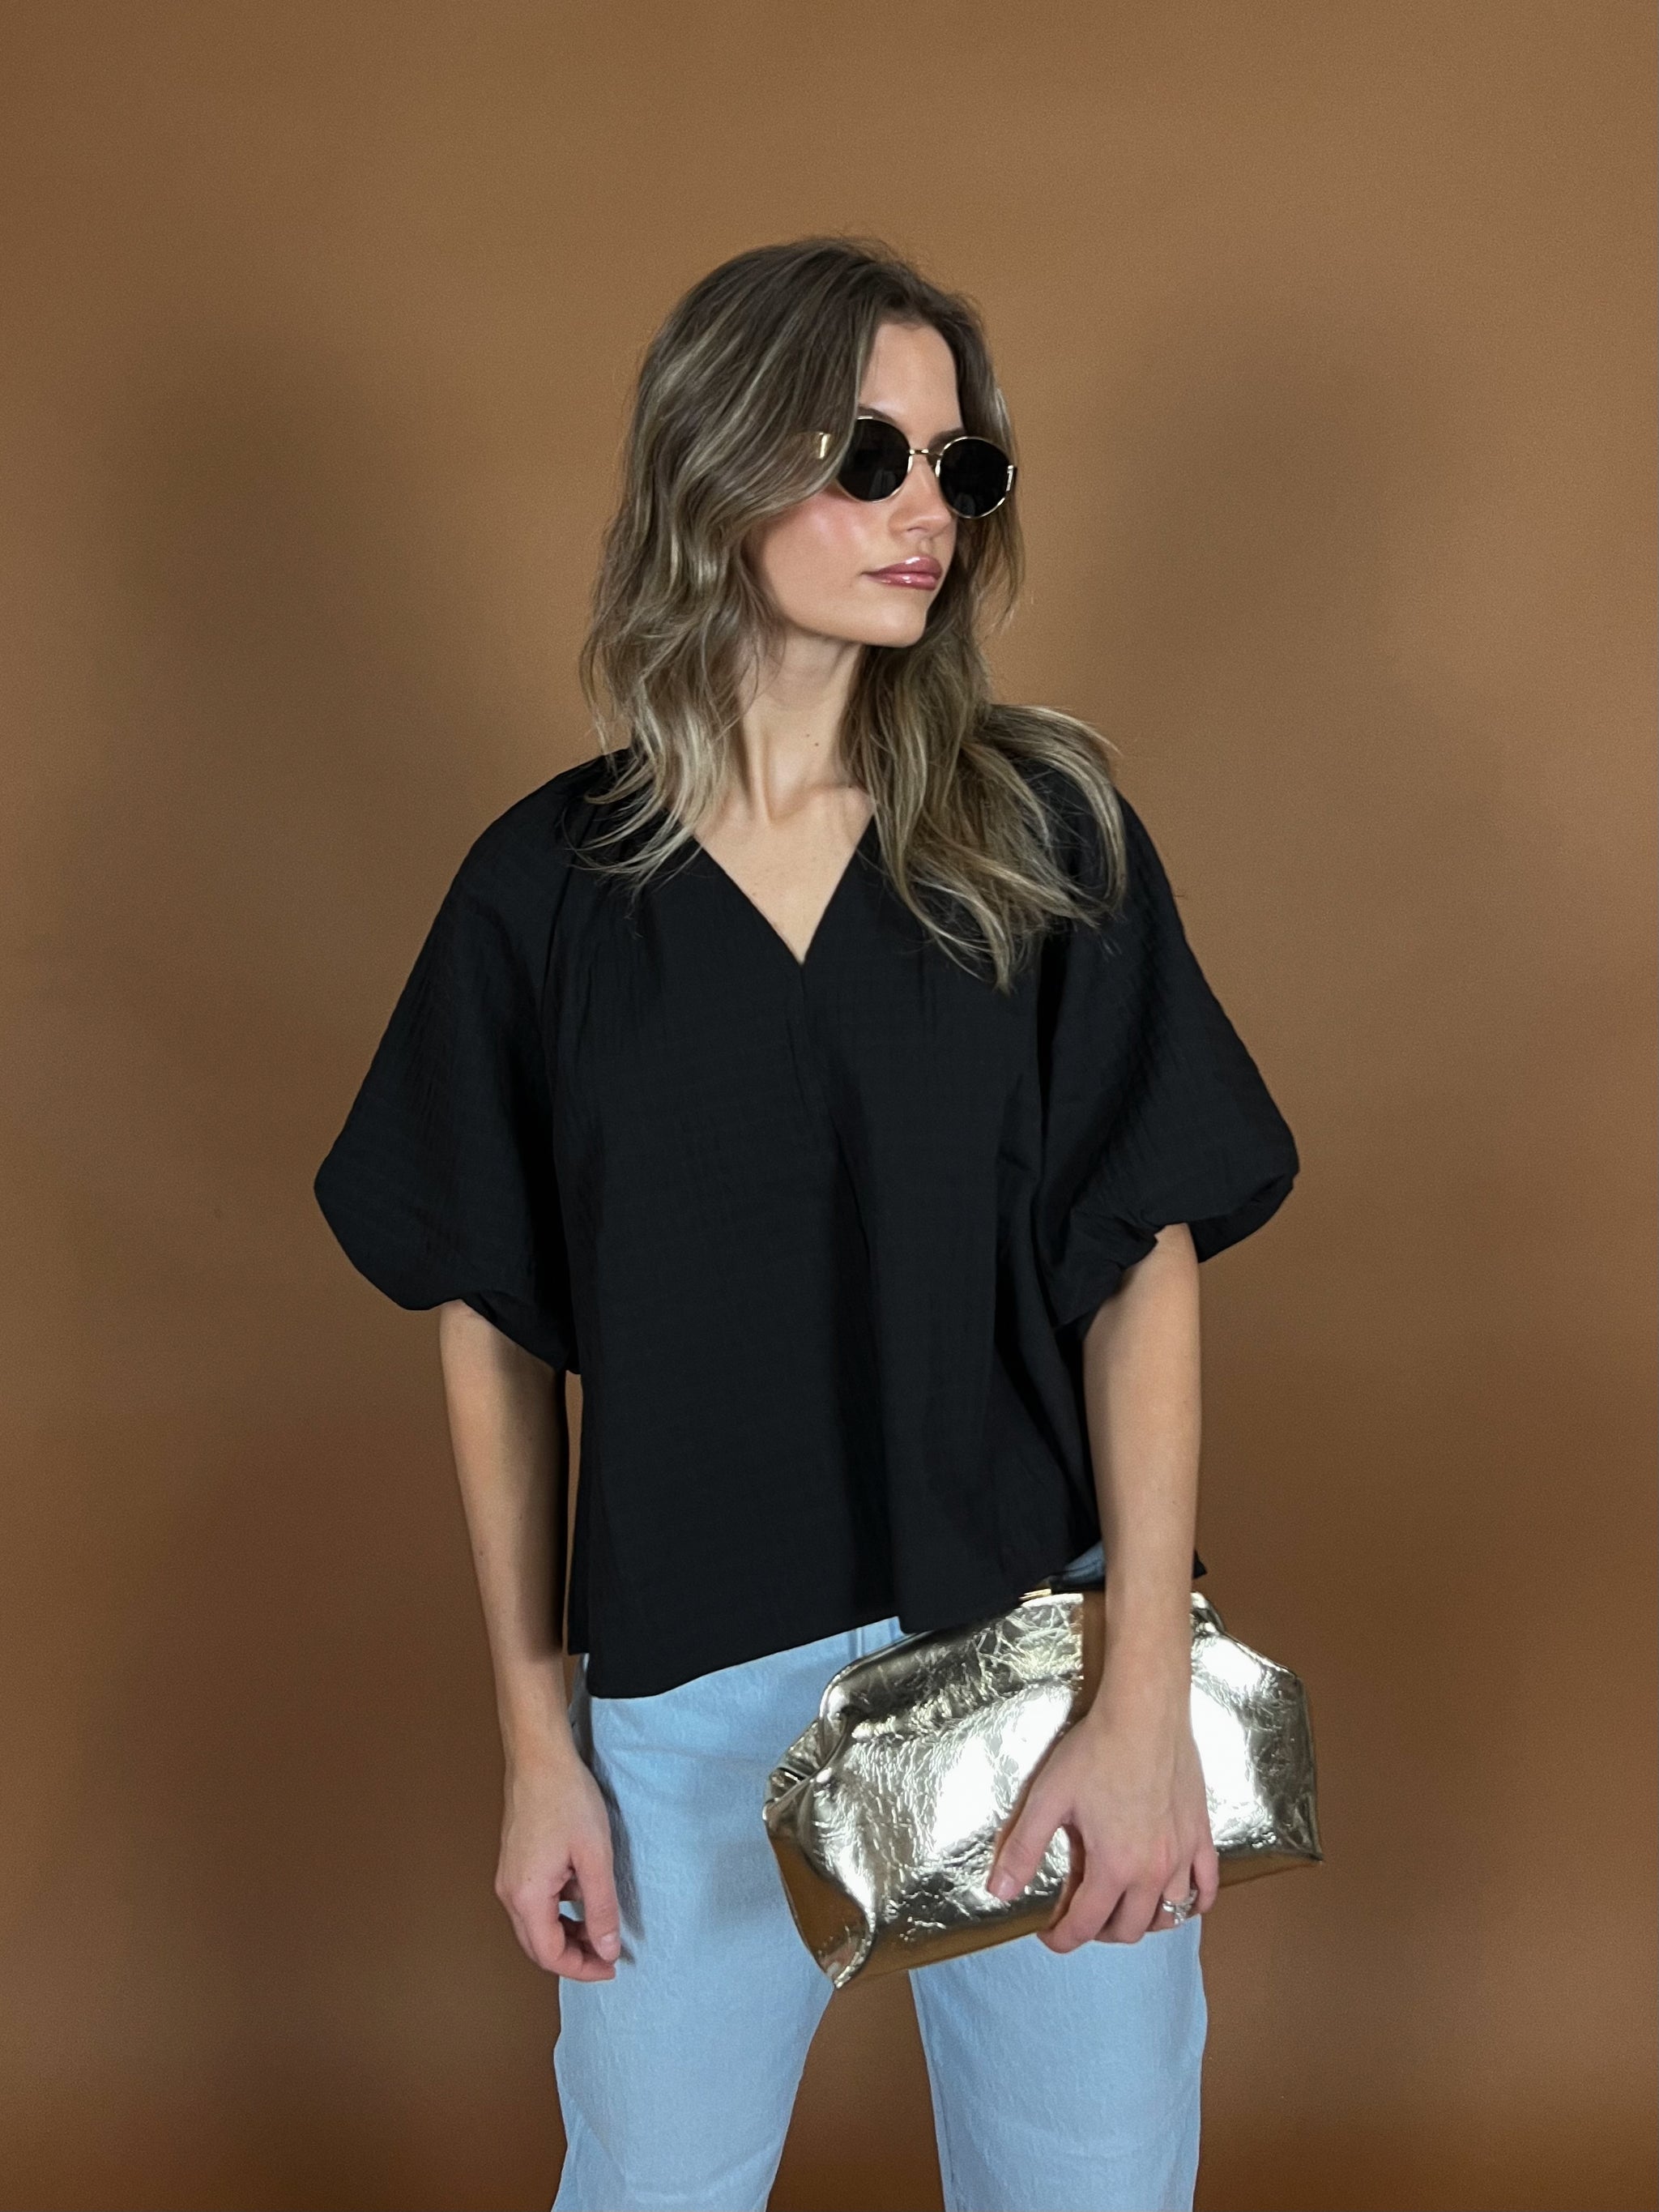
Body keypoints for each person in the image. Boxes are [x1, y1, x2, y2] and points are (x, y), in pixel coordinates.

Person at [313, 237, 1299, 2212]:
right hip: (682, 1699)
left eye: (959, 465)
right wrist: (539, 1750)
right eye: (866, 457)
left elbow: (1140, 1265)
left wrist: (1136, 1706)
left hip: (1028, 1657)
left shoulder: (1046, 842)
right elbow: (490, 1320)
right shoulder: (544, 897)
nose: (925, 509)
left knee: (1091, 2191)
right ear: (716, 464)